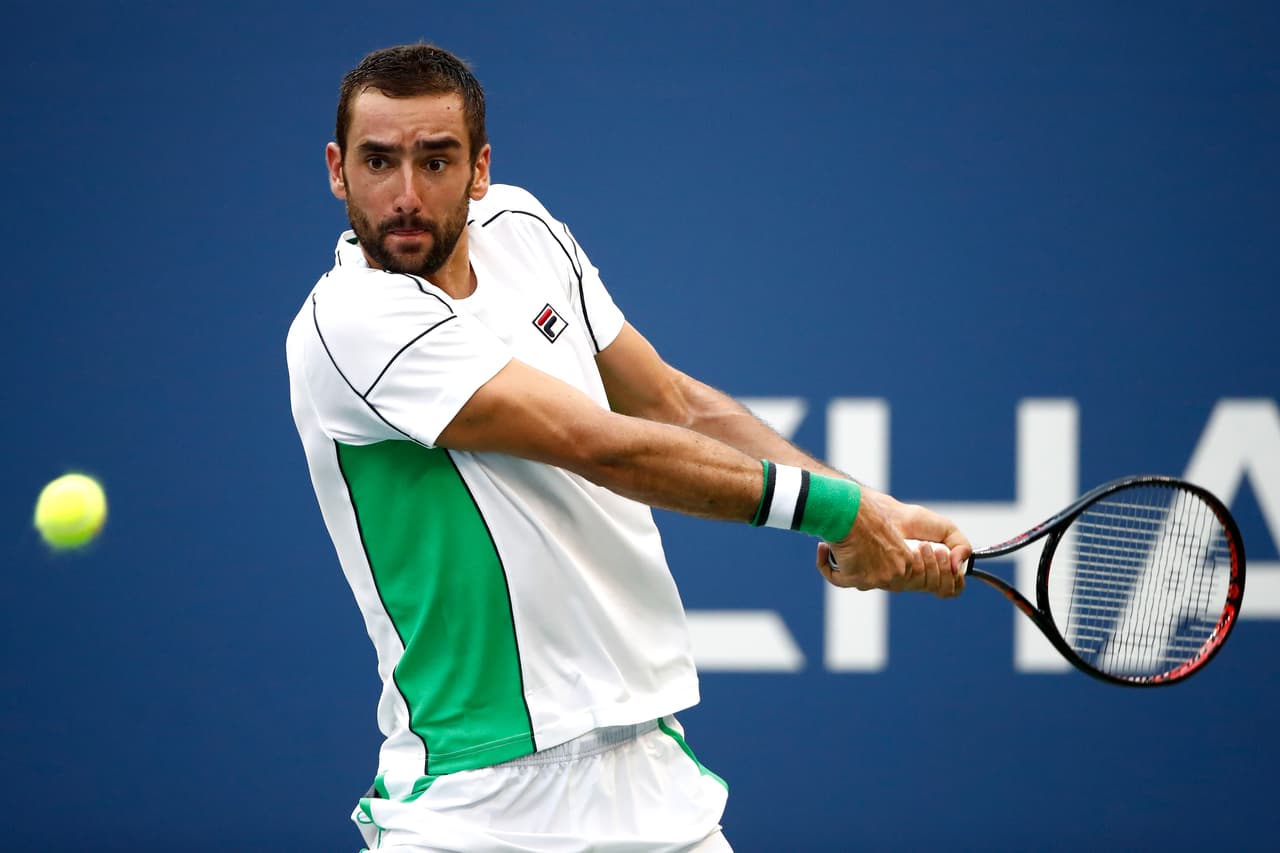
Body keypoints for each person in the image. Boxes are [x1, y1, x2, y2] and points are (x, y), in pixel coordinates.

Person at [286, 43, 970, 853]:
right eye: (378, 162)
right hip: (475, 810)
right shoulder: (349, 322)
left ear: (479, 170)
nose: (404, 194)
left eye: (436, 161)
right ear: (337, 169)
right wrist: (837, 511)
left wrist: (878, 512)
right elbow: (598, 443)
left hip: (652, 779)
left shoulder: (525, 231)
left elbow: (671, 403)